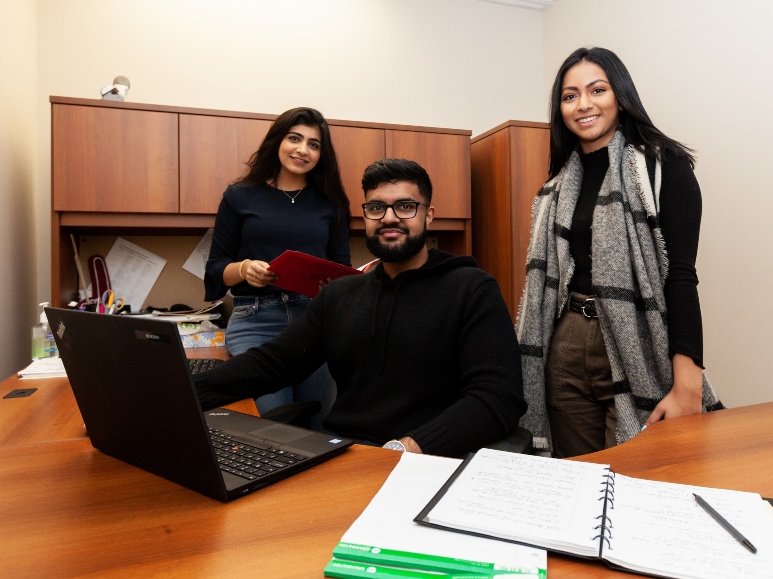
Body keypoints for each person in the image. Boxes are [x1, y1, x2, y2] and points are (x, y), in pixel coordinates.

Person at [194, 159, 527, 457]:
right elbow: (273, 363)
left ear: (429, 215)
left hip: (430, 460)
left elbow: (497, 397)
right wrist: (180, 393)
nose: (390, 218)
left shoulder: (471, 289)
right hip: (348, 456)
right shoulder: (340, 295)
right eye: (376, 208)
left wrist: (406, 448)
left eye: (406, 206)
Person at [516, 47, 723, 459]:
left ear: (621, 95)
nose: (584, 104)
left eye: (597, 89)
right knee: (575, 478)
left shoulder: (664, 168)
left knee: (641, 475)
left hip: (636, 340)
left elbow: (682, 277)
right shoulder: (555, 189)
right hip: (568, 340)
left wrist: (687, 387)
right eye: (570, 96)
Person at [203, 107, 350, 431]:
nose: (303, 149)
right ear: (277, 141)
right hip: (255, 321)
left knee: (322, 427)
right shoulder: (240, 196)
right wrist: (243, 269)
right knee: (273, 430)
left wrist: (333, 285)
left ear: (321, 154)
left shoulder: (331, 203)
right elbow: (215, 268)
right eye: (295, 138)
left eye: (314, 144)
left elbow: (343, 270)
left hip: (315, 321)